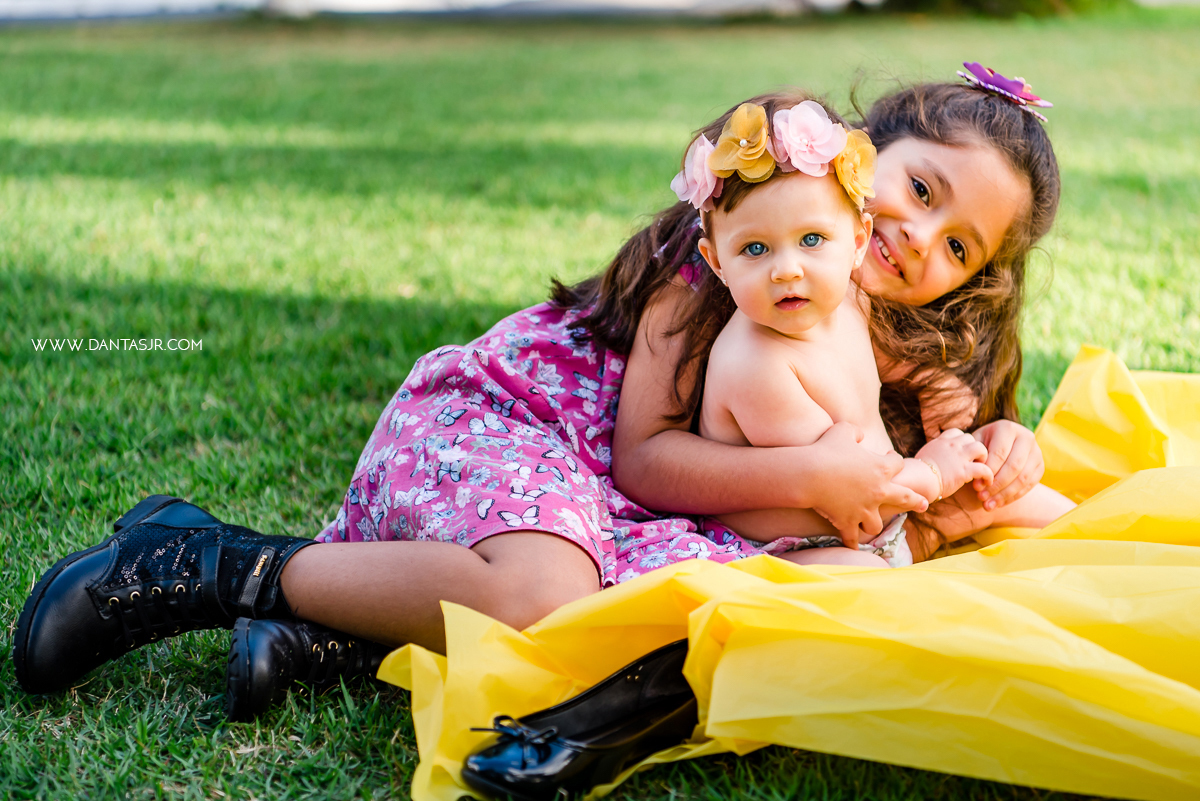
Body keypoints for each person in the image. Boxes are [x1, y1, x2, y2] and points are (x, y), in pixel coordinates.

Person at [12, 65, 1074, 710]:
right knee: (543, 600)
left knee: (700, 612)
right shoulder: (733, 258)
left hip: (618, 510)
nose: (915, 234)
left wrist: (995, 439)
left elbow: (913, 467)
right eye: (920, 187)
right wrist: (821, 469)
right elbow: (647, 461)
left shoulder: (891, 331)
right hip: (525, 428)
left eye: (958, 243)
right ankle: (205, 562)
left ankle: (336, 633)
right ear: (862, 151)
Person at [685, 95, 993, 568]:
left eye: (811, 240)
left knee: (1017, 499)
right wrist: (933, 471)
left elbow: (875, 364)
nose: (786, 270)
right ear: (717, 262)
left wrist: (929, 381)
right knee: (873, 588)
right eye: (754, 248)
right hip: (798, 547)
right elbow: (848, 496)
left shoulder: (851, 299)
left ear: (856, 242)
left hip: (885, 512)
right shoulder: (756, 368)